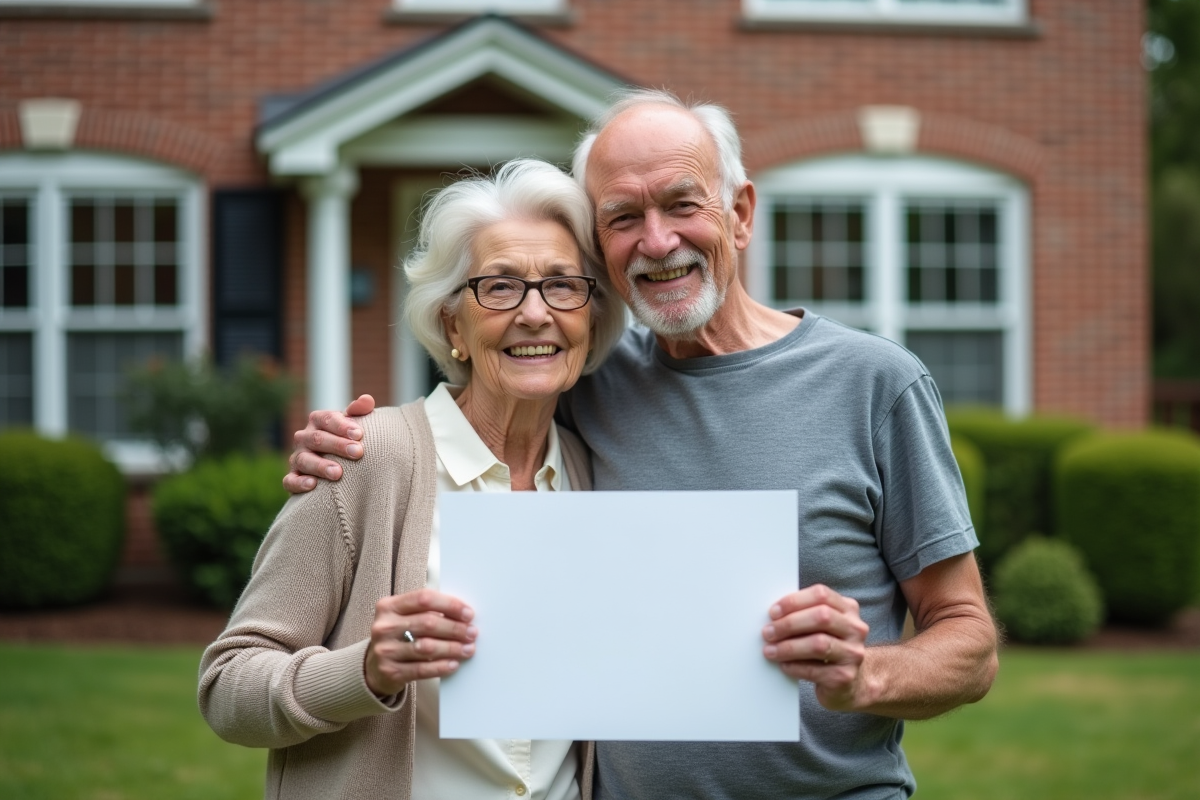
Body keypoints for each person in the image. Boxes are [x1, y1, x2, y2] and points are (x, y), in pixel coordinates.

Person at [285, 89, 999, 799]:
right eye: (624, 217)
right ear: (601, 247)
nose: (657, 242)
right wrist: (351, 446)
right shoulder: (586, 383)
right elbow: (476, 414)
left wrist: (867, 676)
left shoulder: (875, 384)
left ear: (740, 214)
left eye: (683, 204)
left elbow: (968, 640)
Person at [198, 159, 627, 800]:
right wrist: (365, 671)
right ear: (454, 325)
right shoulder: (363, 458)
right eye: (500, 287)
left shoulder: (595, 474)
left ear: (590, 318)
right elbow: (227, 686)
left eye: (563, 286)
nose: (536, 314)